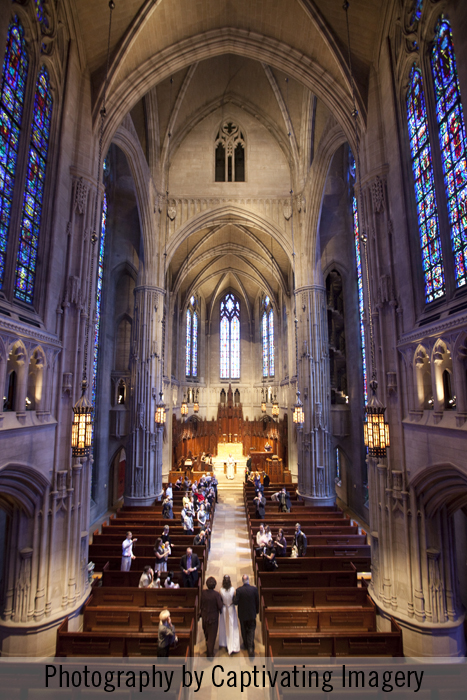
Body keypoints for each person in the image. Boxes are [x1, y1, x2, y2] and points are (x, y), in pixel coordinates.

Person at [233, 574, 259, 659]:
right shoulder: (254, 589)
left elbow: (236, 602)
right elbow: (257, 601)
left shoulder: (239, 590)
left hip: (242, 614)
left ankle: (246, 644)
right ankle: (250, 647)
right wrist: (257, 611)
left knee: (244, 629)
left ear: (242, 581)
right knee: (251, 629)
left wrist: (234, 596)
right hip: (252, 613)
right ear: (248, 580)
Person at [200, 576, 223, 660]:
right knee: (212, 636)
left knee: (206, 633)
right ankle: (210, 654)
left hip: (205, 616)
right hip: (213, 618)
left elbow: (200, 603)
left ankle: (208, 646)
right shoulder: (216, 594)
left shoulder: (203, 593)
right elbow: (220, 606)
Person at [218, 574, 240, 655]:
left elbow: (220, 600)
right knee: (232, 625)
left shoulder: (220, 590)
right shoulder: (233, 590)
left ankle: (224, 642)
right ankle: (233, 644)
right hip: (230, 608)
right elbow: (234, 599)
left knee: (224, 625)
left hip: (224, 609)